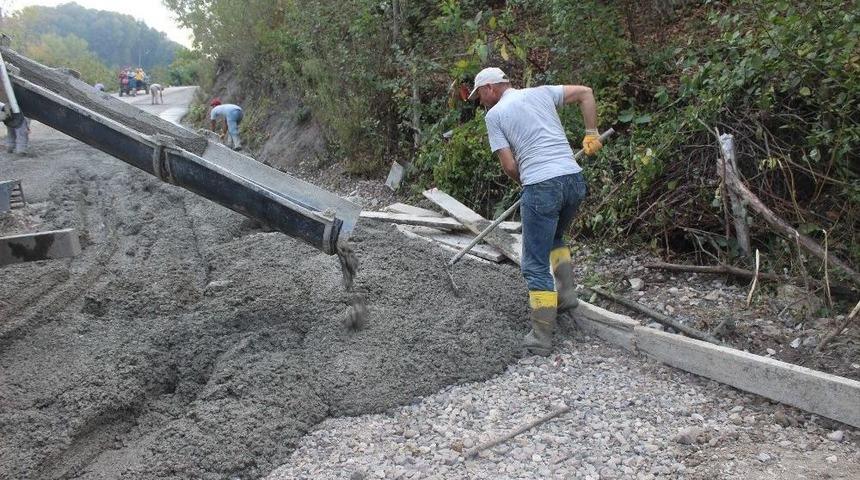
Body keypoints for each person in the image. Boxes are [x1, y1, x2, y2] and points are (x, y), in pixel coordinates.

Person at [468, 67, 603, 356]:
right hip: (573, 180)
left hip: (542, 185)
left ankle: (541, 336)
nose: (480, 102)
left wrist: (530, 184)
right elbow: (586, 93)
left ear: (490, 88)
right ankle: (566, 296)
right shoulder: (541, 92)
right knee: (555, 238)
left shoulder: (495, 115)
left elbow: (509, 165)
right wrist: (591, 133)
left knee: (534, 264)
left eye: (480, 95)